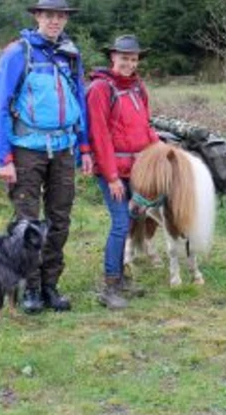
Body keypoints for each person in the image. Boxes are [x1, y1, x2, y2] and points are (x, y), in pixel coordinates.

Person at [0, 0, 94, 313]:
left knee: (60, 220)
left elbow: (80, 102)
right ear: (37, 16)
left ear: (66, 19)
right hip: (26, 151)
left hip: (63, 150)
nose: (54, 20)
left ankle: (50, 286)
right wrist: (3, 158)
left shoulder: (70, 55)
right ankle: (30, 289)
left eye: (60, 16)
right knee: (27, 222)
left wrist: (84, 147)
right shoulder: (18, 53)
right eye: (48, 15)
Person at [86, 34, 159, 309]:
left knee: (130, 220)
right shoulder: (100, 89)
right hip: (113, 170)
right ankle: (109, 286)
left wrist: (160, 148)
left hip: (137, 168)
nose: (129, 63)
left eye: (133, 58)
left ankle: (121, 280)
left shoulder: (138, 87)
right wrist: (112, 177)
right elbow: (100, 135)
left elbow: (146, 125)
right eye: (124, 58)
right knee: (119, 223)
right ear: (112, 58)